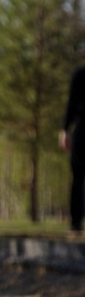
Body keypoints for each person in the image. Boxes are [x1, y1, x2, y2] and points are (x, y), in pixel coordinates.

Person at [60, 65, 85, 232]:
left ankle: (76, 222)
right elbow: (72, 104)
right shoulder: (79, 76)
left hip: (82, 131)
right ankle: (75, 221)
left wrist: (65, 129)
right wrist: (65, 130)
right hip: (82, 130)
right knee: (78, 176)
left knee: (78, 178)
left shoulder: (79, 76)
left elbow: (71, 104)